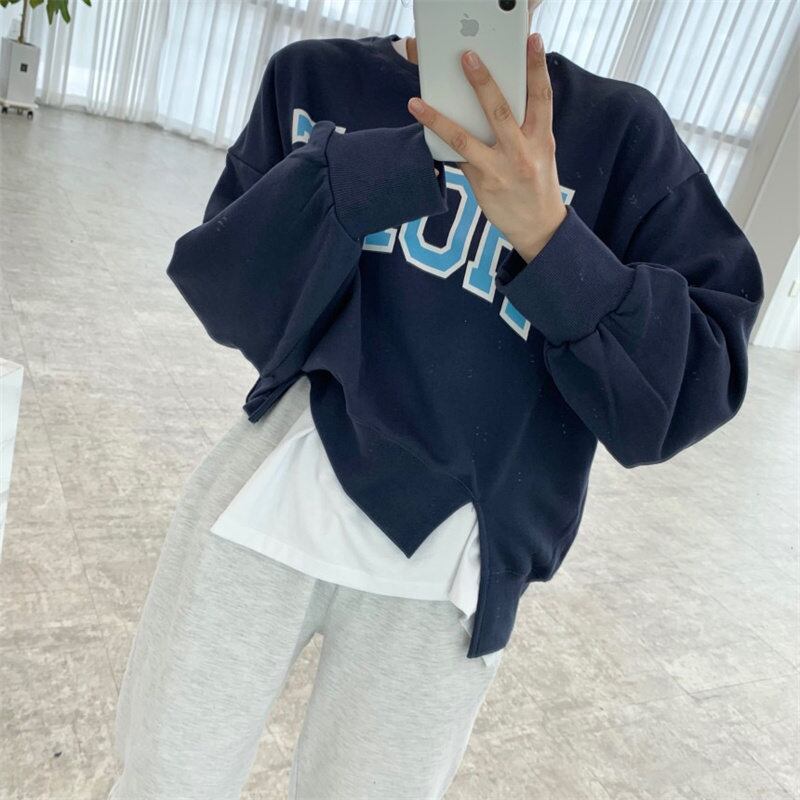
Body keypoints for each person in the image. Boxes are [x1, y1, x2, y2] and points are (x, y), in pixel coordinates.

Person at [108, 0, 764, 797]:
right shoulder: (311, 79)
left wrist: (549, 234)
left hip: (454, 560)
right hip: (270, 494)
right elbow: (232, 298)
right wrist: (371, 169)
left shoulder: (623, 135)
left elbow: (685, 391)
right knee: (164, 776)